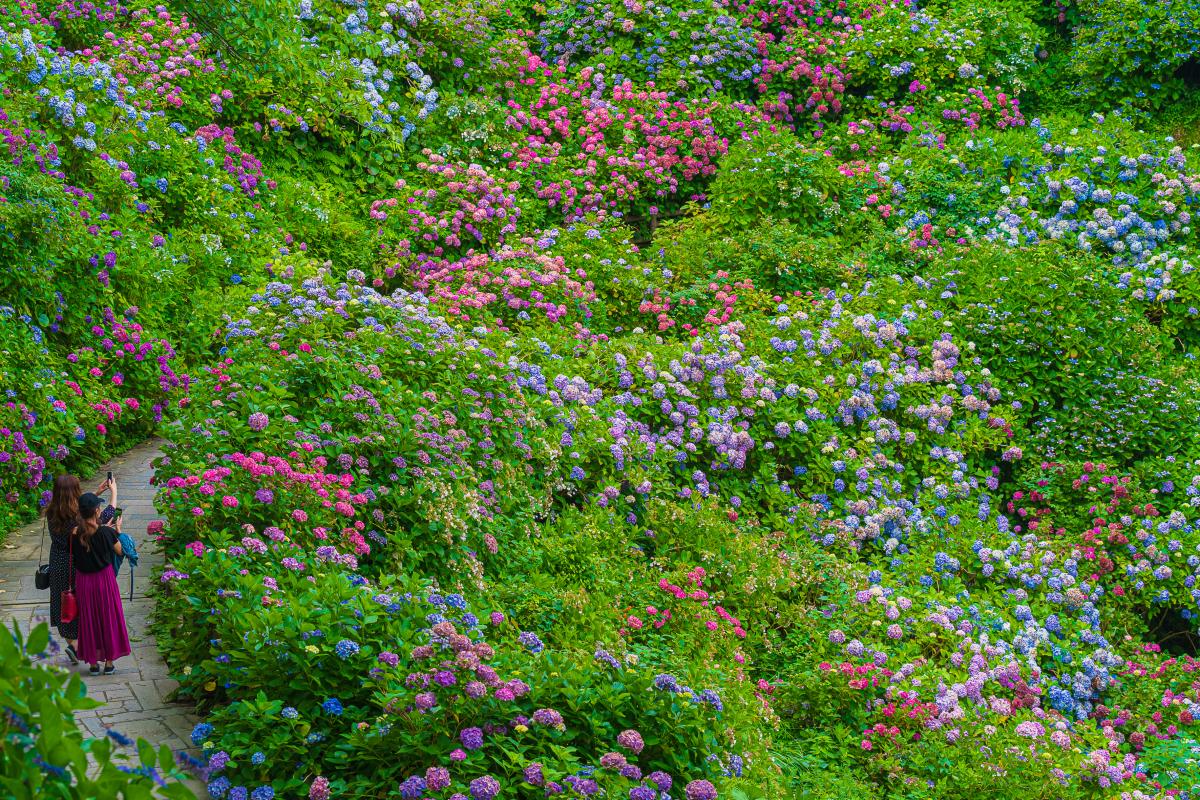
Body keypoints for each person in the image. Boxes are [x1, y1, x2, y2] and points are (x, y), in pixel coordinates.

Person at [45, 474, 117, 665]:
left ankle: (74, 644)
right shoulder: (77, 517)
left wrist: (96, 493)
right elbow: (98, 518)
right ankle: (81, 647)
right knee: (84, 604)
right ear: (75, 491)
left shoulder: (52, 511)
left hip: (58, 562)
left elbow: (81, 511)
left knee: (65, 604)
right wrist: (113, 495)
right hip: (77, 561)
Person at [73, 492, 131, 675]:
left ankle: (92, 663)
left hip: (83, 581)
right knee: (108, 617)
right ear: (97, 511)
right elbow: (121, 552)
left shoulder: (74, 533)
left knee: (89, 619)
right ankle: (109, 663)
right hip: (104, 580)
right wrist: (118, 531)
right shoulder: (107, 532)